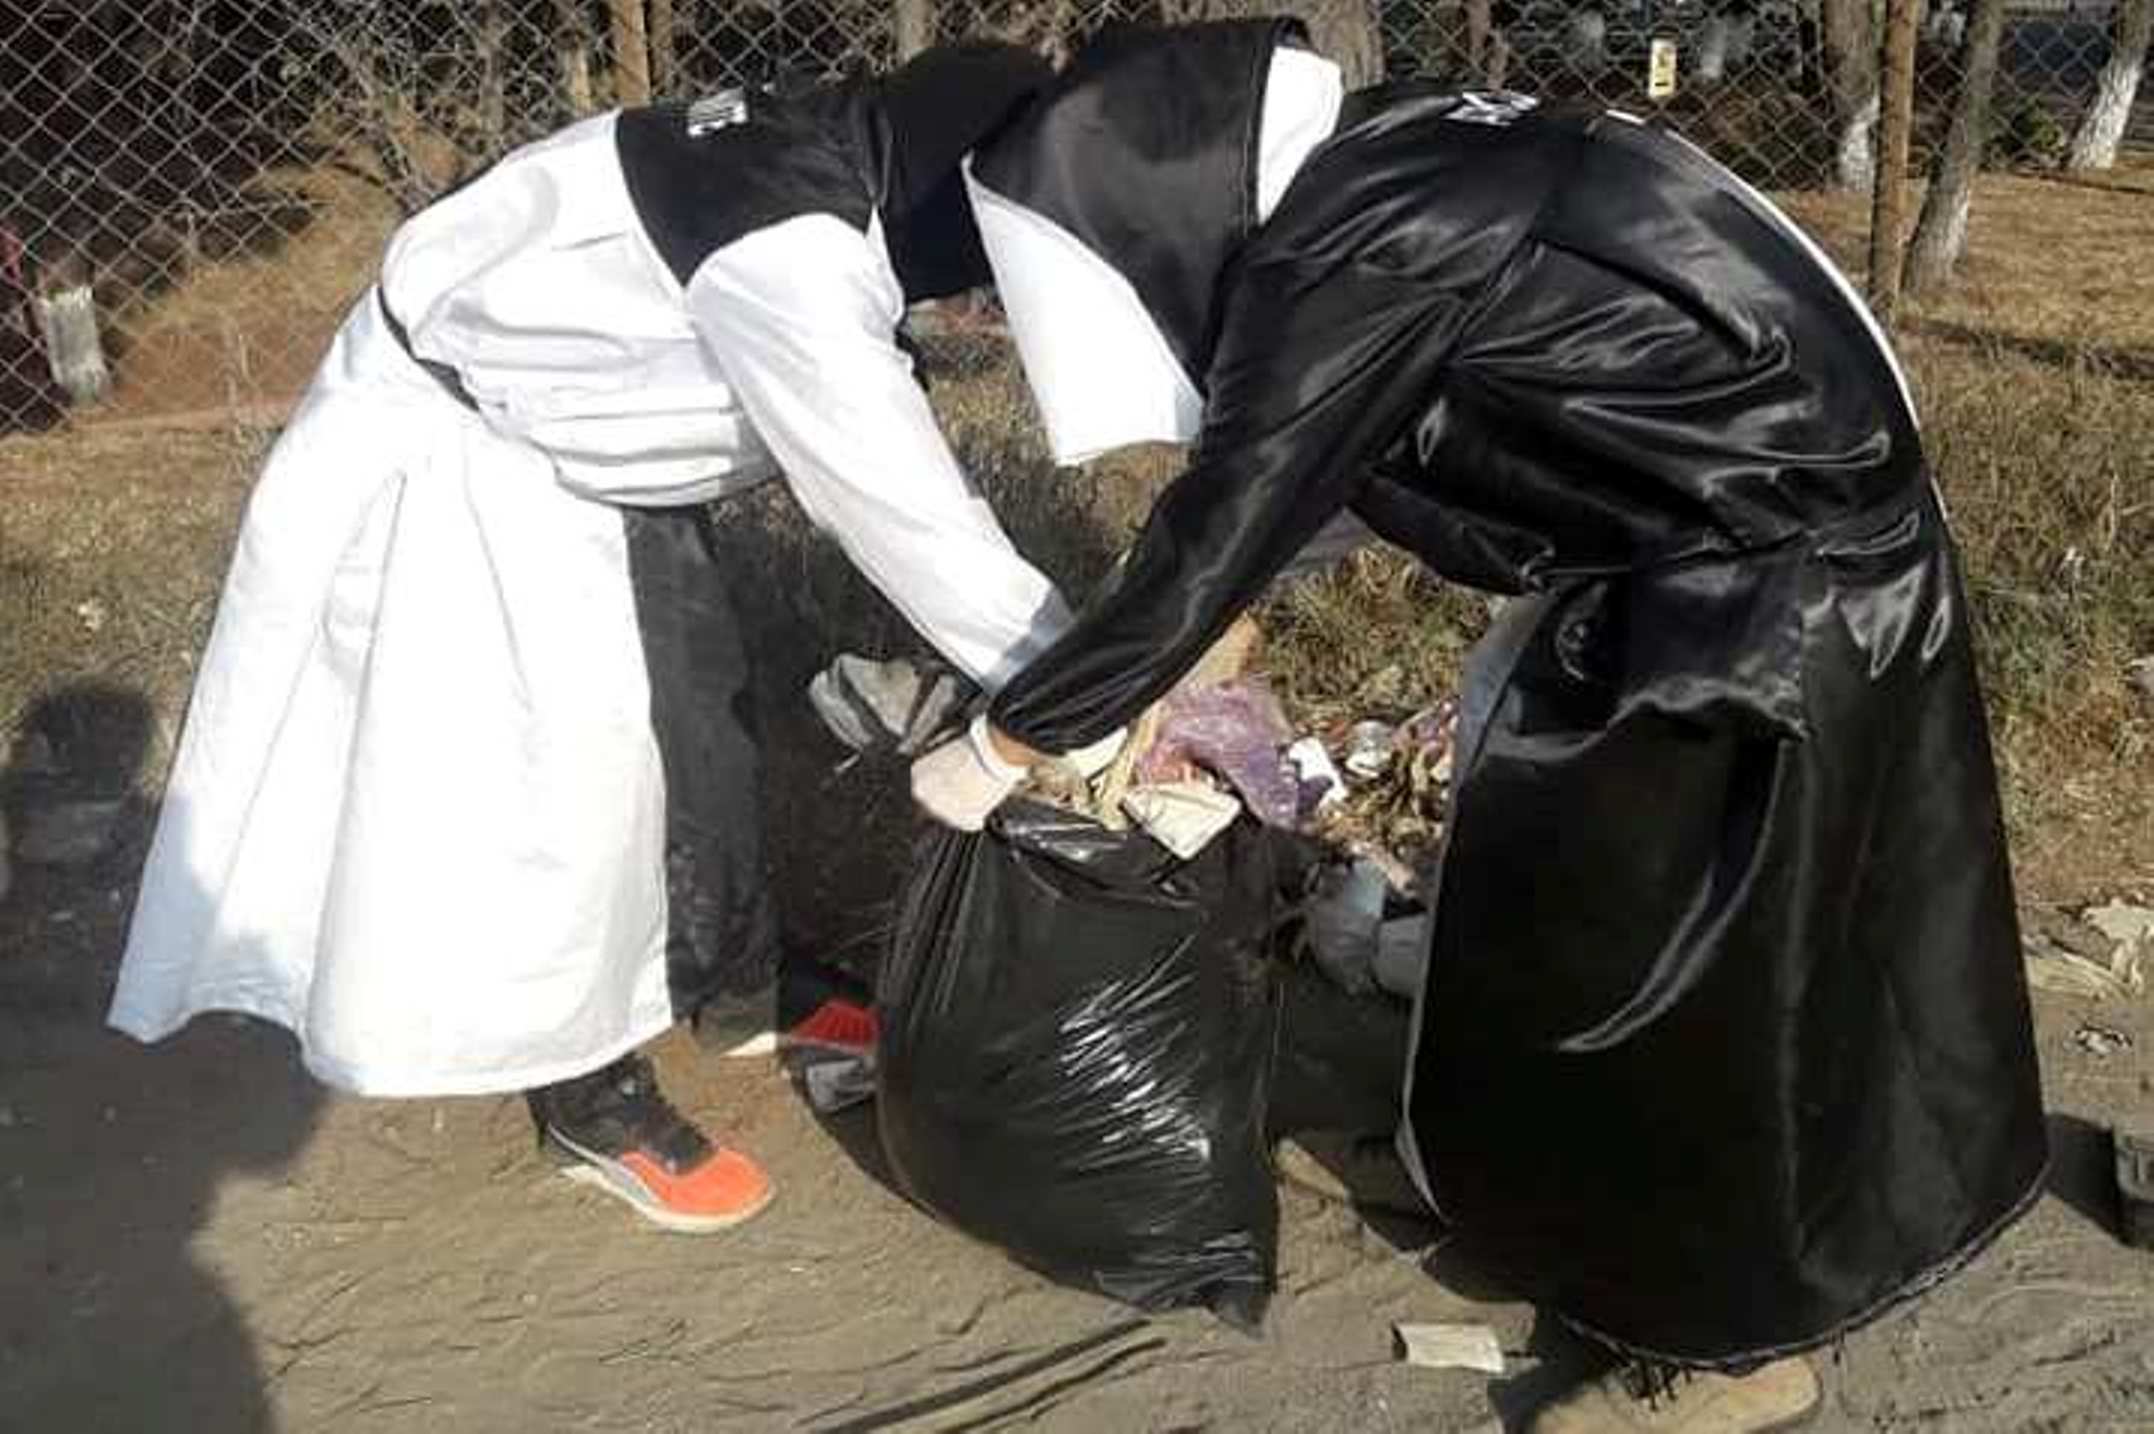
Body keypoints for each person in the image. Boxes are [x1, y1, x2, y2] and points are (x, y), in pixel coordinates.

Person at [909, 19, 2047, 1431]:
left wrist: (1004, 746)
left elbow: (1225, 513)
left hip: (1768, 613)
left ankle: (1726, 1348)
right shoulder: (1388, 164)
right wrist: (1204, 635)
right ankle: (1517, 1184)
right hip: (1682, 572)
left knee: (1682, 983)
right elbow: (1311, 462)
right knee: (1545, 908)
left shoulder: (1355, 244)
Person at [110, 41, 1078, 1235]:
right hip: (464, 460)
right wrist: (1086, 689)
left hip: (582, 453)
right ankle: (585, 1089)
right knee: (559, 800)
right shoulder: (786, 250)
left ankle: (734, 980)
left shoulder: (832, 150)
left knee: (701, 722)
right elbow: (906, 511)